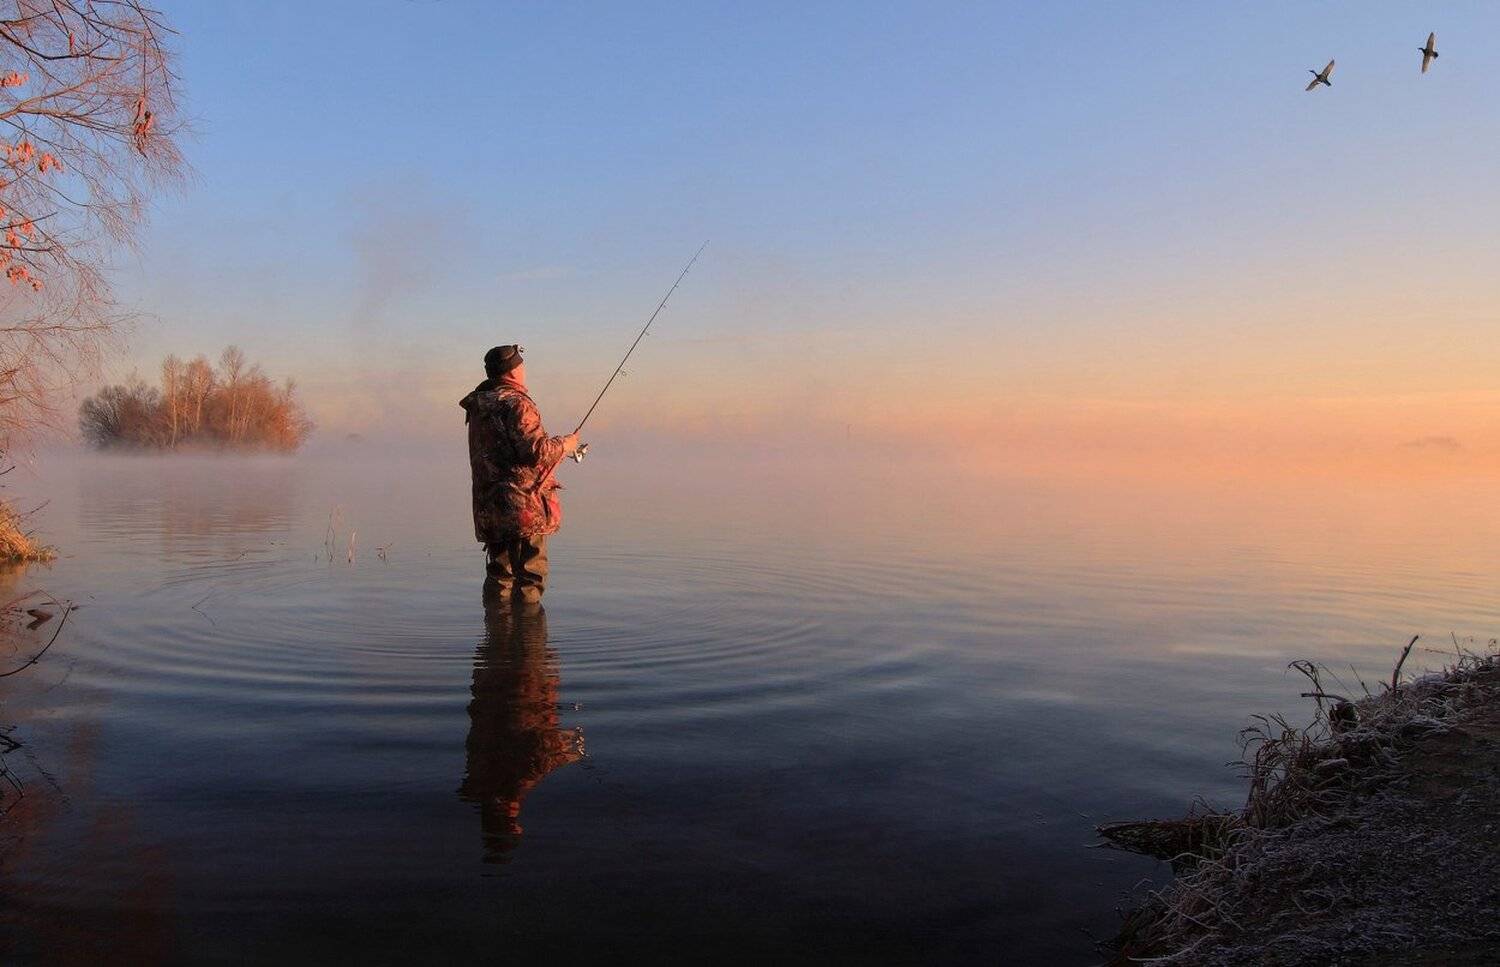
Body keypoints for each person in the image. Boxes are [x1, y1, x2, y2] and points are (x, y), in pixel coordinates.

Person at [456, 586, 584, 862]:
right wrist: (567, 752)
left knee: (505, 597)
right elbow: (540, 755)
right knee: (525, 606)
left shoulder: (482, 783)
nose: (517, 813)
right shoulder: (505, 786)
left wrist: (569, 752)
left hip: (504, 689)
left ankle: (511, 602)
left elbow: (540, 755)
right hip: (515, 686)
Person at [459, 345, 579, 604]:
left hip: (490, 507)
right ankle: (529, 639)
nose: (524, 370)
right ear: (513, 371)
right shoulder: (517, 404)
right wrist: (566, 444)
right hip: (524, 507)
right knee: (530, 577)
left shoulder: (479, 405)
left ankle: (497, 635)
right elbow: (536, 451)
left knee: (500, 575)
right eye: (521, 365)